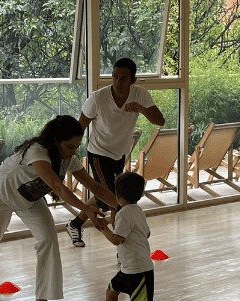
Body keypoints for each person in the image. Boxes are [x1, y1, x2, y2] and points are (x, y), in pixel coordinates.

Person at [0, 115, 117, 301]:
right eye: (69, 146)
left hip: (28, 200)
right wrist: (87, 211)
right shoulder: (36, 151)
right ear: (55, 141)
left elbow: (94, 186)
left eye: (76, 146)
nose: (73, 151)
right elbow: (58, 187)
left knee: (49, 239)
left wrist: (122, 206)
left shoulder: (69, 160)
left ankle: (42, 299)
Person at [66, 58, 166, 248]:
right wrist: (70, 151)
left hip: (120, 153)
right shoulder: (98, 98)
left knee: (107, 195)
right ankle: (121, 247)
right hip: (98, 152)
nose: (118, 82)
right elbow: (80, 127)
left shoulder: (140, 95)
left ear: (133, 80)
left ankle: (75, 223)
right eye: (115, 77)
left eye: (123, 78)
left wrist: (141, 109)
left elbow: (160, 121)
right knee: (114, 199)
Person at [85, 172, 175, 301]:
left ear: (117, 196)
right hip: (131, 267)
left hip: (137, 270)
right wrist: (114, 224)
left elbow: (116, 240)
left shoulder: (124, 214)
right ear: (140, 194)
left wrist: (103, 227)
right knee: (111, 292)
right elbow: (146, 233)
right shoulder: (137, 211)